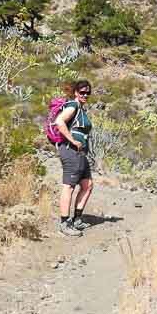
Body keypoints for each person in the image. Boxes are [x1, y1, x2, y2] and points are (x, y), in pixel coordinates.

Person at [54, 80, 94, 237]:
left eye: (87, 93)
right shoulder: (73, 105)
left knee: (88, 185)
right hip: (71, 151)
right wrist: (72, 140)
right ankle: (65, 222)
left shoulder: (81, 109)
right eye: (82, 92)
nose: (85, 95)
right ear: (76, 92)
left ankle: (77, 219)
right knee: (69, 186)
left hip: (81, 153)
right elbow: (59, 121)